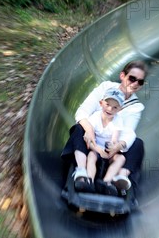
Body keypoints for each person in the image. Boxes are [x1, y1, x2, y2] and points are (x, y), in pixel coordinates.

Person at [62, 60, 148, 197]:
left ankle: (118, 179)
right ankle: (82, 173)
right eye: (132, 78)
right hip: (92, 142)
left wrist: (116, 146)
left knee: (138, 143)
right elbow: (82, 112)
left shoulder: (136, 107)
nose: (135, 83)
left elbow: (127, 133)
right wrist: (90, 132)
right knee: (79, 128)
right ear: (122, 76)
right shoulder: (105, 88)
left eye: (140, 81)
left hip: (113, 147)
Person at [85, 88, 136, 196]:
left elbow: (114, 139)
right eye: (107, 104)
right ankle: (89, 180)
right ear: (101, 103)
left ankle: (107, 182)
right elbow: (90, 139)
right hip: (96, 148)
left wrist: (111, 150)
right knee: (91, 156)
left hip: (109, 152)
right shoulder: (95, 118)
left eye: (115, 107)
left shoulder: (118, 120)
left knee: (121, 158)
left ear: (119, 109)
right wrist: (99, 150)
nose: (110, 109)